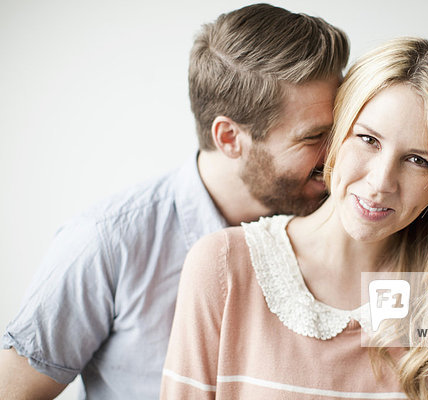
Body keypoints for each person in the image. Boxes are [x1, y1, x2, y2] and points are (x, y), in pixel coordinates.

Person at [0, 4, 349, 399]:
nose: (338, 154)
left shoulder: (346, 220)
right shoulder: (106, 242)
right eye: (312, 137)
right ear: (230, 138)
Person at [160, 37, 428, 400]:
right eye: (368, 139)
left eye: (419, 160)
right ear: (336, 135)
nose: (380, 183)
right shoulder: (223, 265)